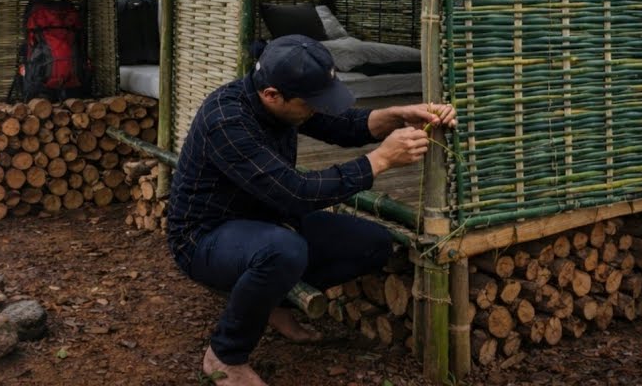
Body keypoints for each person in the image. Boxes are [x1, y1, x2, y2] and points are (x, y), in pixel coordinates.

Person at [166, 34, 456, 385]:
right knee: (283, 251)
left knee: (373, 243)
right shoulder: (227, 121)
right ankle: (225, 355)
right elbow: (297, 194)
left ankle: (274, 304)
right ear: (272, 94)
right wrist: (379, 161)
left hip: (269, 220)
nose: (318, 109)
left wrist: (400, 114)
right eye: (312, 103)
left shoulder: (288, 102)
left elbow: (345, 125)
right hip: (204, 238)